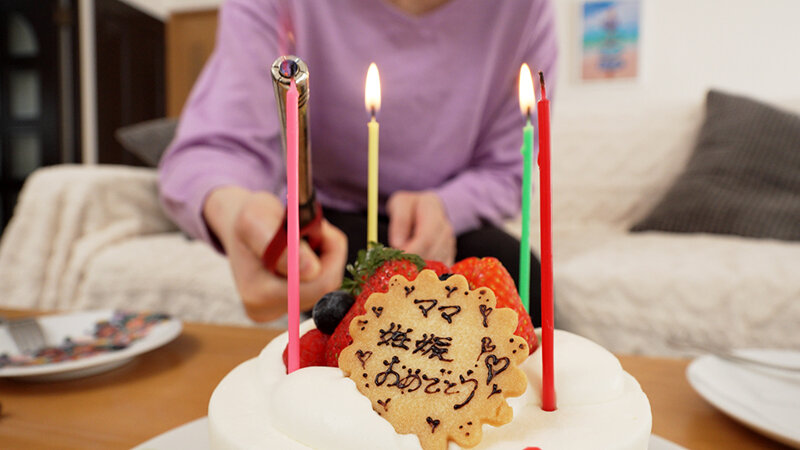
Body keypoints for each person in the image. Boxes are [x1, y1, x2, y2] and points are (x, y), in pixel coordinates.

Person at [158, 0, 557, 324]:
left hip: (452, 220)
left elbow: (510, 169)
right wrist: (236, 214)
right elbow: (213, 151)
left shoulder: (525, 11)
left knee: (524, 280)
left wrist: (449, 207)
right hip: (330, 222)